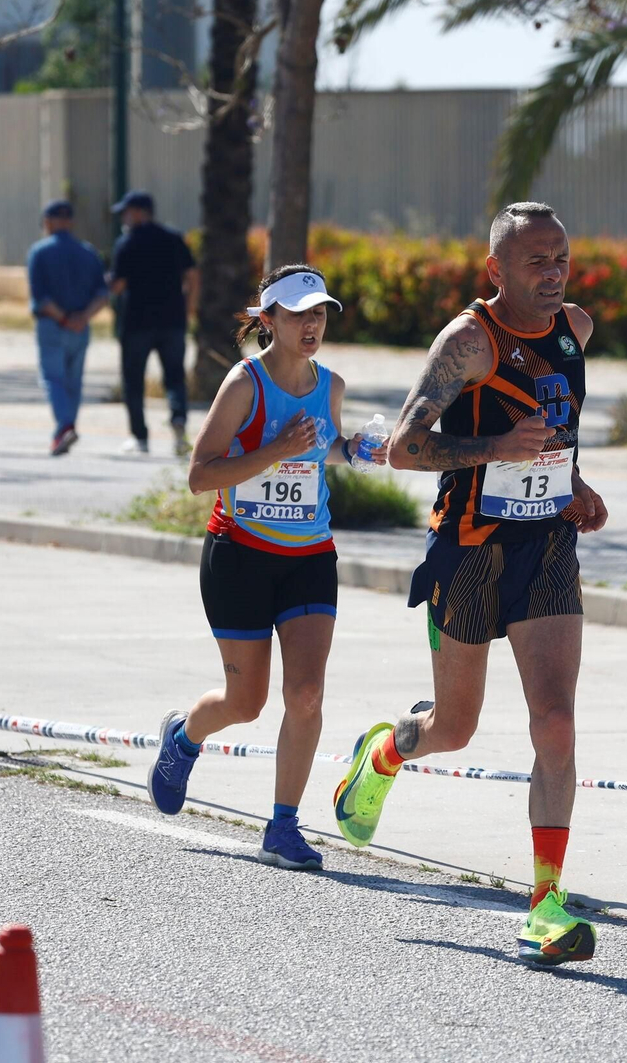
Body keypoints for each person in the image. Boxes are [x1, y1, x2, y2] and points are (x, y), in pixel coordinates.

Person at [332, 202, 608, 965]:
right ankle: (386, 751)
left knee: (554, 723)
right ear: (497, 270)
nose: (553, 275)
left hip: (547, 544)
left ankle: (545, 903)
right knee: (454, 727)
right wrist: (495, 447)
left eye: (561, 259)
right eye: (535, 263)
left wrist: (576, 483)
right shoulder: (469, 342)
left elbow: (554, 433)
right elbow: (404, 446)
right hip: (469, 547)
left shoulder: (574, 330)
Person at [144, 264, 387, 871]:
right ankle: (184, 735)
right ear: (268, 319)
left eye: (320, 312)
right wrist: (273, 451)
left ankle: (282, 827)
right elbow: (201, 475)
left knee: (305, 695)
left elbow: (322, 444)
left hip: (309, 556)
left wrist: (351, 449)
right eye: (299, 314)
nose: (312, 325)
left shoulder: (331, 384)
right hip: (240, 555)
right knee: (246, 701)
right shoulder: (244, 385)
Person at [108, 190, 198, 456]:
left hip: (137, 322)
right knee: (174, 377)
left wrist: (108, 283)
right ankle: (178, 422)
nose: (124, 217)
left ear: (138, 212)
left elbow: (119, 283)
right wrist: (188, 309)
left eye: (126, 212)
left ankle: (140, 437)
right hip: (172, 320)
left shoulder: (127, 243)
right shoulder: (173, 238)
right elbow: (193, 275)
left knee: (133, 380)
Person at [26, 200, 110, 456]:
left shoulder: (39, 251)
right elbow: (103, 294)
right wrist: (82, 317)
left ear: (49, 222)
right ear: (70, 222)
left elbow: (41, 297)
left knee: (53, 378)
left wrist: (63, 318)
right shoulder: (88, 252)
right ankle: (66, 429)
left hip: (53, 325)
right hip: (80, 328)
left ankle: (65, 426)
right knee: (74, 382)